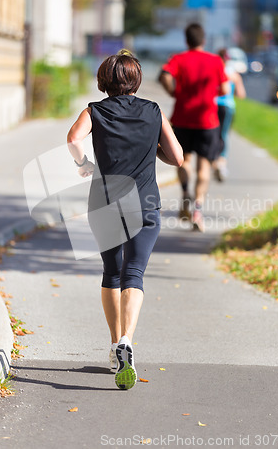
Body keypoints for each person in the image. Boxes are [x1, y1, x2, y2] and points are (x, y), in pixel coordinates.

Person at [67, 50, 183, 390]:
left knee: (110, 271)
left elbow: (73, 140)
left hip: (104, 201)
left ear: (104, 80)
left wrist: (84, 164)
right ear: (135, 80)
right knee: (134, 273)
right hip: (144, 203)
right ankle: (127, 340)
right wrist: (154, 149)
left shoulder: (94, 111)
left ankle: (115, 340)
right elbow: (177, 157)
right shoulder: (153, 111)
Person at [159, 23, 230, 232]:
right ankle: (198, 210)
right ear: (203, 40)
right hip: (208, 121)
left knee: (183, 160)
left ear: (186, 40)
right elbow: (225, 88)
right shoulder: (215, 60)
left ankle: (184, 195)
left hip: (182, 119)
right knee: (204, 167)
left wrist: (173, 92)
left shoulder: (178, 59)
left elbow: (164, 75)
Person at [213, 48, 246, 182]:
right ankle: (222, 162)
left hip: (213, 105)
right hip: (227, 106)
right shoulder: (234, 74)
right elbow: (241, 94)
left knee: (213, 133)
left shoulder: (214, 71)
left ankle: (213, 160)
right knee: (224, 134)